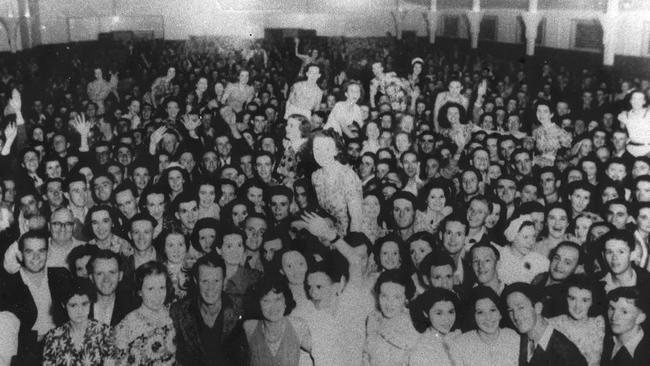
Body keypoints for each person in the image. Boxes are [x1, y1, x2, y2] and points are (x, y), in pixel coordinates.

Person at [2, 230, 72, 366]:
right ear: (20, 255)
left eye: (41, 251)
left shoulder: (62, 276)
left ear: (48, 253)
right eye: (29, 252)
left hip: (64, 350)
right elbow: (6, 331)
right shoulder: (9, 286)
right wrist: (41, 338)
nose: (36, 257)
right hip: (28, 355)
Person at [170, 252, 241, 366]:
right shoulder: (179, 312)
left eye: (216, 281)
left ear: (224, 281)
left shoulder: (239, 309)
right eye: (205, 281)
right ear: (195, 281)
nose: (210, 288)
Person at [503, 282, 587, 366]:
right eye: (510, 310)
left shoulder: (567, 354)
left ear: (538, 308)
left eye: (521, 308)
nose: (516, 316)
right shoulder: (523, 339)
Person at [114, 261, 176, 366]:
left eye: (162, 288)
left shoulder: (174, 316)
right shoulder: (126, 326)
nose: (157, 295)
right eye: (150, 289)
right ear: (139, 292)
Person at [42, 279, 117, 366]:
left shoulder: (105, 333)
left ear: (90, 302)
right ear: (64, 305)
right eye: (73, 305)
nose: (80, 311)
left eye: (84, 304)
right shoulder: (53, 337)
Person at [243, 274, 311, 366]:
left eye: (278, 299)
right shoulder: (249, 327)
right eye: (266, 301)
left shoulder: (297, 325)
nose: (273, 306)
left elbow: (322, 352)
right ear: (258, 305)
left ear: (285, 302)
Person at [310, 129, 363, 236]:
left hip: (347, 237)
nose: (321, 153)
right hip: (327, 235)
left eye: (327, 149)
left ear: (336, 150)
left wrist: (351, 245)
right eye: (317, 148)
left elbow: (357, 218)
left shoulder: (347, 176)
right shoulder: (316, 176)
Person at [362, 269, 420, 366]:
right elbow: (366, 356)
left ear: (406, 298)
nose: (389, 303)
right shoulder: (373, 318)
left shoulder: (415, 323)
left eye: (396, 297)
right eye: (384, 296)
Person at [454, 286, 520, 366]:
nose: (488, 317)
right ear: (473, 317)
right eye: (480, 312)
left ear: (500, 313)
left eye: (492, 310)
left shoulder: (513, 338)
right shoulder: (461, 344)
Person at [547, 275, 605, 366]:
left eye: (585, 300)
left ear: (593, 301)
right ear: (565, 297)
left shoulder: (600, 324)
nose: (577, 306)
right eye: (572, 298)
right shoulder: (552, 324)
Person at [408, 288, 462, 366]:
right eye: (439, 313)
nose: (446, 319)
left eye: (451, 312)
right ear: (425, 313)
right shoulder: (421, 347)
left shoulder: (454, 340)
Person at [600, 286, 650, 365]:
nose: (614, 317)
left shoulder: (647, 352)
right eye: (612, 308)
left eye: (624, 312)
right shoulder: (602, 341)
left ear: (640, 318)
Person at [618, 90, 650, 157]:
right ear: (630, 100)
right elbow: (622, 133)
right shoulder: (624, 115)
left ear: (644, 101)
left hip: (647, 150)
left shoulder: (648, 113)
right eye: (634, 98)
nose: (636, 101)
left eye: (640, 99)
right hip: (630, 150)